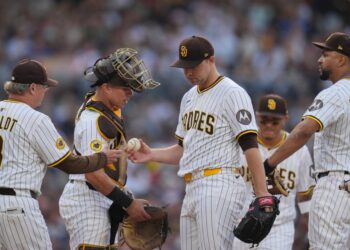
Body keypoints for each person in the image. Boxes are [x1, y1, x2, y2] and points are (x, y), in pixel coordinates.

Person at [128, 35, 274, 250]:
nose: (188, 72)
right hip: (192, 187)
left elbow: (250, 145)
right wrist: (152, 155)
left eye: (193, 66)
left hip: (219, 183)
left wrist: (262, 193)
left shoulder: (232, 93)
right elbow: (182, 150)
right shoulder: (188, 97)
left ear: (211, 60)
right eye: (184, 67)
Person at [0, 59, 121, 250]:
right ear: (32, 88)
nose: (46, 91)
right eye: (44, 86)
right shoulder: (34, 118)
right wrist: (102, 158)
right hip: (17, 205)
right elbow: (69, 164)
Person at [59, 48, 160, 250]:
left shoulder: (107, 106)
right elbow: (93, 175)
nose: (130, 93)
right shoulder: (93, 121)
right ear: (106, 87)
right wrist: (128, 204)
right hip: (87, 199)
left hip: (101, 196)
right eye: (125, 87)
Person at [264, 32, 350, 249]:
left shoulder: (336, 93)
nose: (319, 59)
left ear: (341, 59)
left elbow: (304, 131)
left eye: (325, 54)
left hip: (335, 186)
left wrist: (269, 163)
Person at [233, 94, 315, 250]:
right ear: (256, 117)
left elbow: (305, 196)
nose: (269, 125)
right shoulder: (241, 144)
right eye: (264, 120)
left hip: (279, 228)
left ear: (285, 119)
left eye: (275, 121)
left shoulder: (300, 151)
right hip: (241, 224)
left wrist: (313, 230)